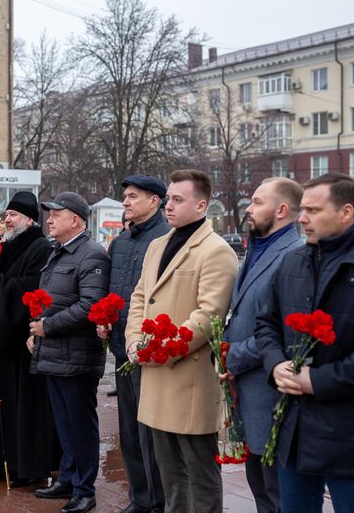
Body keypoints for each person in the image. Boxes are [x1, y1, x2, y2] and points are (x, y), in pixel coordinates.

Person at [256, 172, 354, 513]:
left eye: (313, 210)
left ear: (346, 212)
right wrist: (275, 364)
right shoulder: (293, 261)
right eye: (302, 209)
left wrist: (314, 381)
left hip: (352, 433)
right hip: (294, 428)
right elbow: (266, 323)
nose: (301, 218)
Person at [126, 169, 237, 513]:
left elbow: (208, 316)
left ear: (201, 205)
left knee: (199, 473)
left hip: (187, 378)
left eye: (178, 200)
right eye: (169, 199)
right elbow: (140, 297)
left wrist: (159, 350)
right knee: (169, 473)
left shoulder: (216, 250)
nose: (168, 207)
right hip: (154, 372)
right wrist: (133, 342)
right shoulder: (158, 244)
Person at [220, 178, 302, 513]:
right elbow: (241, 312)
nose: (248, 209)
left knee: (278, 489)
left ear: (281, 210)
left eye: (256, 202)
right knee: (259, 483)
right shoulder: (257, 248)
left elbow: (288, 330)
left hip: (271, 391)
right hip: (249, 392)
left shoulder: (294, 255)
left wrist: (233, 357)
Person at [0, 191, 58, 487]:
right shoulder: (9, 245)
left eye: (14, 215)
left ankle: (24, 465)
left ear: (29, 219)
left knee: (22, 405)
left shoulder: (39, 246)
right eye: (6, 214)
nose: (7, 220)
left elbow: (31, 286)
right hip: (3, 337)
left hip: (21, 338)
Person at [29, 192, 109, 513]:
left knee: (80, 424)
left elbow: (90, 306)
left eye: (55, 215)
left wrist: (47, 327)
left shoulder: (91, 255)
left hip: (77, 357)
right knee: (63, 424)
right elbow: (48, 299)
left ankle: (84, 489)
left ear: (75, 220)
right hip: (54, 353)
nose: (48, 220)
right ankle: (67, 477)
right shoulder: (59, 252)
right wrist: (35, 330)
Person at [99, 175, 169, 513]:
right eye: (125, 196)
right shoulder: (121, 242)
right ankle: (139, 498)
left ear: (154, 201)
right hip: (120, 347)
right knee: (128, 430)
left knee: (151, 431)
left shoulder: (166, 239)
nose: (125, 202)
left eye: (133, 197)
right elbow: (115, 292)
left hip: (150, 350)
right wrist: (105, 318)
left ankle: (159, 501)